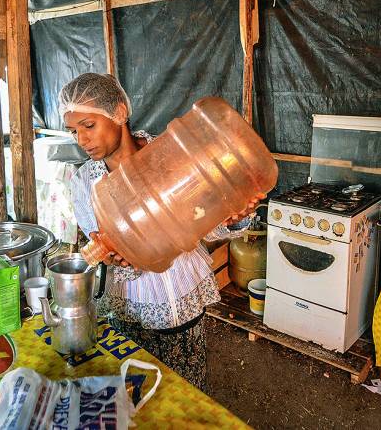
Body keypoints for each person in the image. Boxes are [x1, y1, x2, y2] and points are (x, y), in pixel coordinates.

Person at [60, 72, 247, 390]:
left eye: (89, 126)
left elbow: (206, 222)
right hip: (128, 306)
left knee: (186, 393)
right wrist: (113, 256)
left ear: (119, 112)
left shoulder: (171, 155)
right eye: (73, 131)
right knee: (136, 393)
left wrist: (231, 217)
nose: (82, 140)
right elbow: (102, 243)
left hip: (179, 302)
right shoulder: (84, 182)